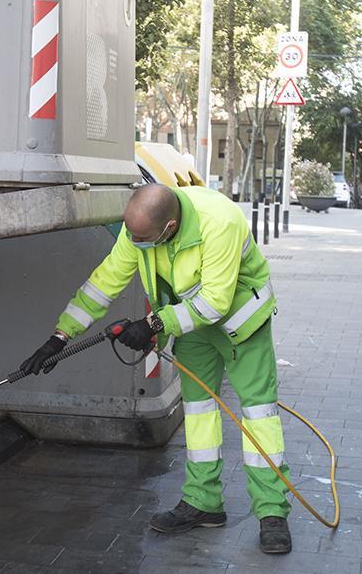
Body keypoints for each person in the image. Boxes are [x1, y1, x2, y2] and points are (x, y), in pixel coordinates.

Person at [19, 183, 293, 554]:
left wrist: (152, 325)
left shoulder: (220, 222)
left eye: (141, 237)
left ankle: (272, 513)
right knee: (198, 413)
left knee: (258, 415)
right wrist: (60, 336)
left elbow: (215, 301)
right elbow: (105, 281)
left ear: (169, 227)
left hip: (240, 326)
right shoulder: (139, 233)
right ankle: (203, 503)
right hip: (191, 325)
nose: (134, 242)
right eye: (131, 235)